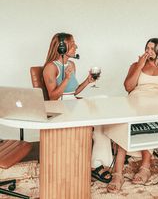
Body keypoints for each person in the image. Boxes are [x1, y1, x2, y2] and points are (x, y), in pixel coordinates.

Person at [107, 38, 158, 193]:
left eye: (152, 49)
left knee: (150, 119)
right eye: (147, 48)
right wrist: (139, 65)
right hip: (136, 100)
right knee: (125, 124)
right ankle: (117, 173)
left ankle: (145, 166)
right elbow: (128, 87)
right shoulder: (136, 65)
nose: (148, 51)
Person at [43, 32, 113, 183]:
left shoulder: (72, 64)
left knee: (103, 105)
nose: (76, 46)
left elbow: (73, 92)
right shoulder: (50, 67)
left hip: (73, 102)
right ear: (61, 47)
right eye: (72, 43)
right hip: (61, 106)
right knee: (98, 118)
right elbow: (53, 97)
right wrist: (67, 78)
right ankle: (96, 163)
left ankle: (98, 161)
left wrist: (87, 81)